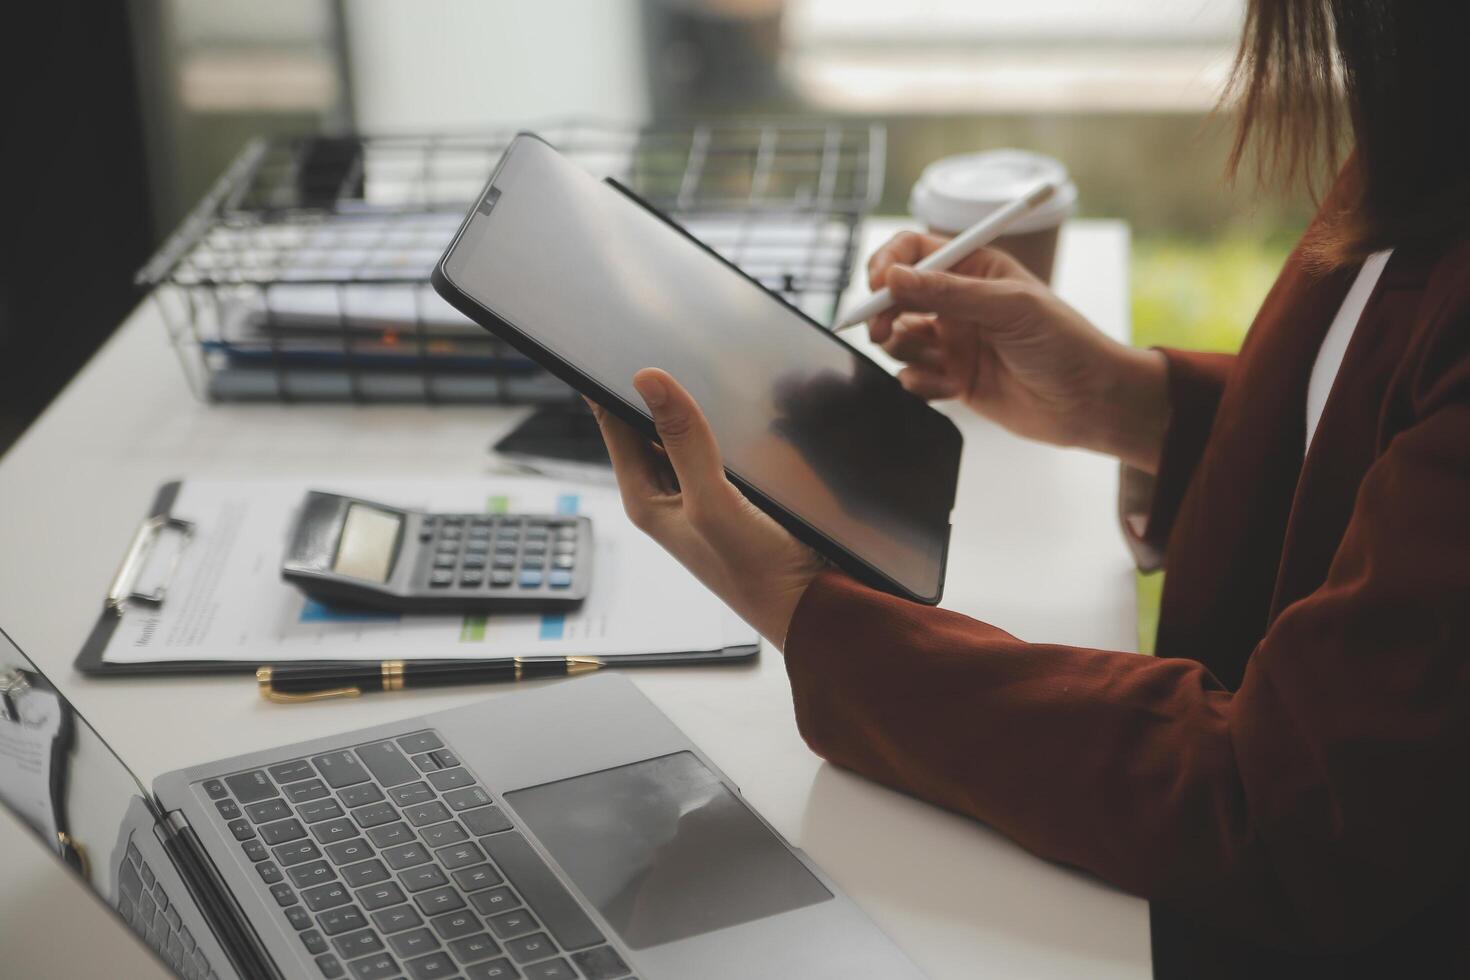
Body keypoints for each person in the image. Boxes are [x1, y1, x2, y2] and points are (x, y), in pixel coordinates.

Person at [589, 2, 1470, 976]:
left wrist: (813, 614)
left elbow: (1292, 808)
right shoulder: (1433, 119)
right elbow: (1387, 452)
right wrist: (1137, 406)